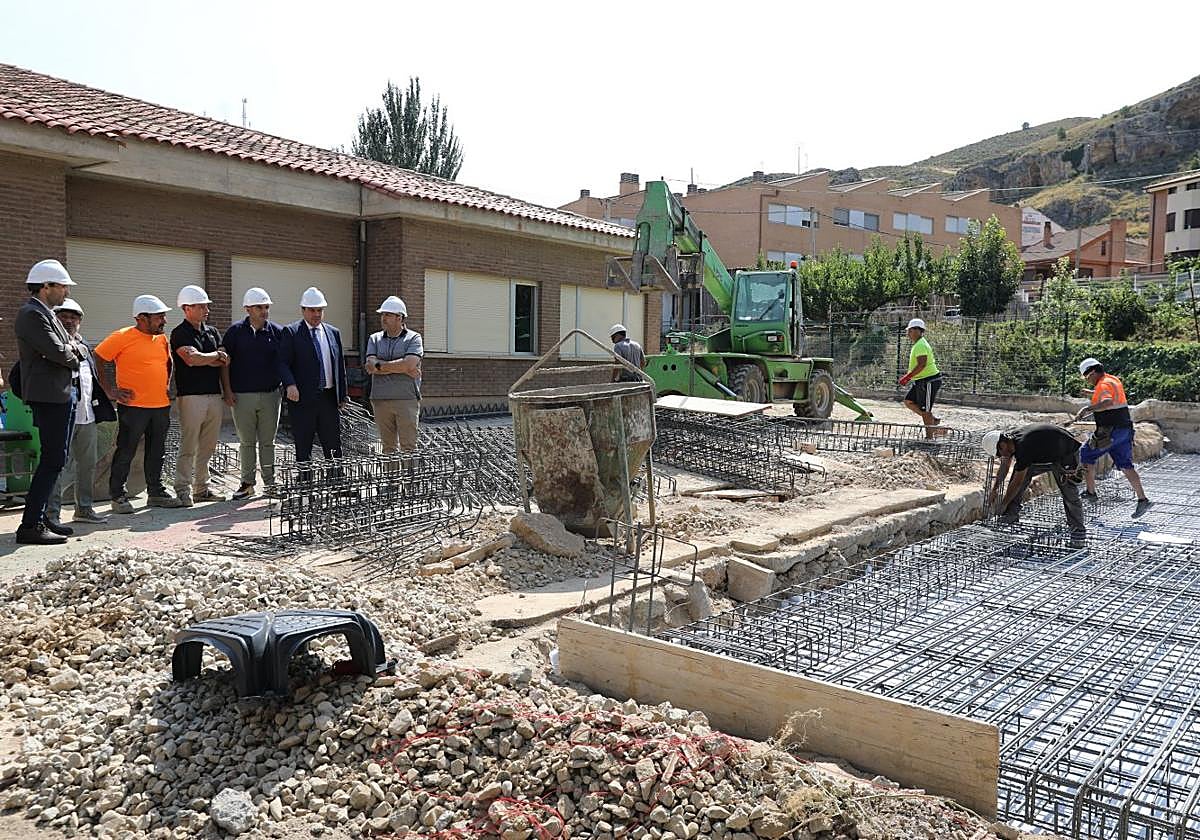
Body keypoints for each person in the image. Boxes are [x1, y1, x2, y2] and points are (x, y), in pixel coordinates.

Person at [13, 259, 83, 545]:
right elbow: (61, 352)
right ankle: (30, 525)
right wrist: (71, 351)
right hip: (49, 396)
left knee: (57, 458)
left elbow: (71, 346)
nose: (66, 292)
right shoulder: (32, 314)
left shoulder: (48, 313)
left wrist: (70, 349)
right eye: (62, 286)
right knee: (53, 459)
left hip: (59, 393)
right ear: (46, 286)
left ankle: (41, 517)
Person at [95, 295, 185, 513]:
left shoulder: (162, 338)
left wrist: (166, 385)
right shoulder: (123, 336)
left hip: (160, 405)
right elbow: (97, 356)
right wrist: (109, 391)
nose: (164, 320)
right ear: (142, 318)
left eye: (164, 316)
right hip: (133, 407)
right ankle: (117, 495)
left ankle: (155, 492)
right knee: (126, 450)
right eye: (159, 317)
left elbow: (168, 361)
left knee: (157, 451)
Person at [46, 298, 116, 527]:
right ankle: (52, 515)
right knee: (56, 465)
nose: (69, 320)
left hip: (87, 416)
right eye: (63, 316)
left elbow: (90, 380)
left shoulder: (85, 347)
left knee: (88, 464)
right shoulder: (48, 346)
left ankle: (84, 509)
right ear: (54, 319)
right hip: (60, 417)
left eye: (74, 317)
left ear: (80, 322)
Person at [221, 287, 284, 499]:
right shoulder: (234, 332)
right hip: (242, 396)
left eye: (266, 307)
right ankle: (247, 484)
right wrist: (227, 391)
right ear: (248, 309)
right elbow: (224, 364)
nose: (264, 311)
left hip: (271, 396)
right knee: (247, 442)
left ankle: (270, 484)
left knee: (268, 442)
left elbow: (284, 362)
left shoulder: (277, 332)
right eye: (259, 307)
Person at [982, 422, 1086, 548]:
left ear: (1002, 445)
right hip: (1043, 453)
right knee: (1021, 470)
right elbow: (1005, 465)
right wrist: (995, 489)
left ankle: (1078, 534)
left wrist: (1003, 504)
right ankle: (1010, 516)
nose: (1001, 457)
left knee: (1069, 493)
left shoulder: (1023, 446)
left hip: (1065, 453)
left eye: (999, 453)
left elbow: (1017, 482)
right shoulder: (1010, 441)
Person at [170, 285, 229, 506]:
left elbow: (223, 361)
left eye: (206, 306)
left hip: (214, 395)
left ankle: (202, 488)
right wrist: (215, 356)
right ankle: (182, 488)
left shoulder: (212, 332)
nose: (206, 310)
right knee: (189, 444)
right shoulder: (179, 333)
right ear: (186, 308)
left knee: (208, 445)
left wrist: (208, 358)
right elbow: (191, 359)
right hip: (190, 396)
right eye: (201, 306)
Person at [1072, 357, 1152, 518]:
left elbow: (1108, 401)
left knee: (1086, 453)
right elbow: (1110, 396)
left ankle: (1090, 492)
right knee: (1126, 465)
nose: (1088, 381)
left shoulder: (1103, 384)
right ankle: (1143, 499)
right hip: (1124, 430)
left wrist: (1087, 410)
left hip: (1111, 431)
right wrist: (1091, 394)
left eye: (1087, 378)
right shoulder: (1112, 379)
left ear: (1092, 372)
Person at [278, 286, 347, 467]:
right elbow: (282, 363)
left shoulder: (333, 333)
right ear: (303, 310)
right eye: (312, 310)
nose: (316, 314)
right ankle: (306, 486)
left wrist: (342, 395)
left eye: (320, 310)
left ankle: (336, 481)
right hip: (302, 398)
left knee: (333, 442)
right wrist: (290, 384)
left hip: (329, 398)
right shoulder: (292, 332)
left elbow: (339, 364)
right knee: (304, 444)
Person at [365, 296, 423, 455]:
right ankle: (393, 481)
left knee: (408, 447)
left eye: (388, 315)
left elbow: (410, 363)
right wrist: (402, 368)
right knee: (388, 448)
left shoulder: (414, 338)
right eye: (382, 314)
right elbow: (370, 365)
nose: (383, 318)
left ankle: (410, 480)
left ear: (400, 317)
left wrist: (381, 365)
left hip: (406, 398)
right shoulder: (374, 339)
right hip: (381, 399)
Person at [898, 318, 943, 438]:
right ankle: (932, 421)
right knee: (908, 401)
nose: (908, 333)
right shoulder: (919, 344)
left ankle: (929, 437)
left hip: (928, 380)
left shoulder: (921, 345)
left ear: (917, 330)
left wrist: (907, 377)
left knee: (925, 410)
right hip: (921, 380)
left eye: (910, 331)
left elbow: (921, 364)